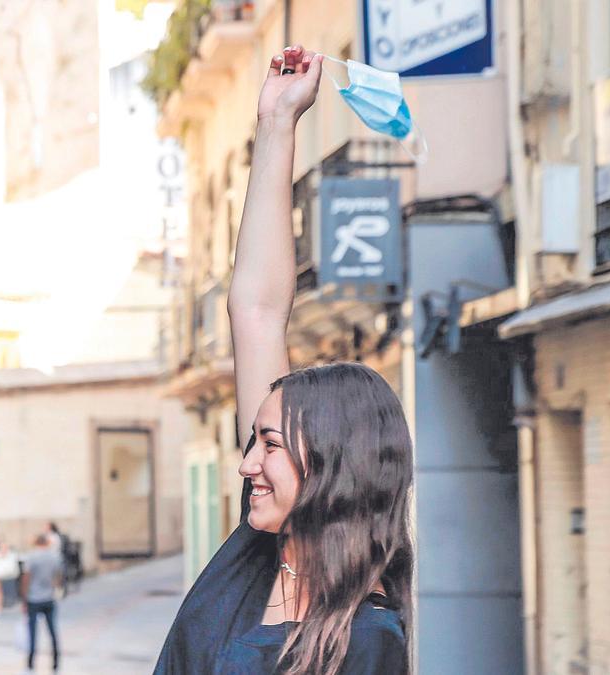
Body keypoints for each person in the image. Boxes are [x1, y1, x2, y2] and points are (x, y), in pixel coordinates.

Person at [154, 46, 412, 675]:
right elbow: (258, 311)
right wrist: (276, 124)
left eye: (268, 443)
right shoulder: (259, 554)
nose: (247, 464)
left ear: (331, 463)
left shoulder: (367, 638)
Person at [20, 533, 63, 672]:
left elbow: (26, 578)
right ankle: (56, 663)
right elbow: (58, 576)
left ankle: (31, 664)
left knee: (33, 632)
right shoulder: (55, 556)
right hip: (49, 597)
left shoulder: (32, 557)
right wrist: (54, 588)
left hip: (34, 598)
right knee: (52, 631)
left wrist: (24, 598)